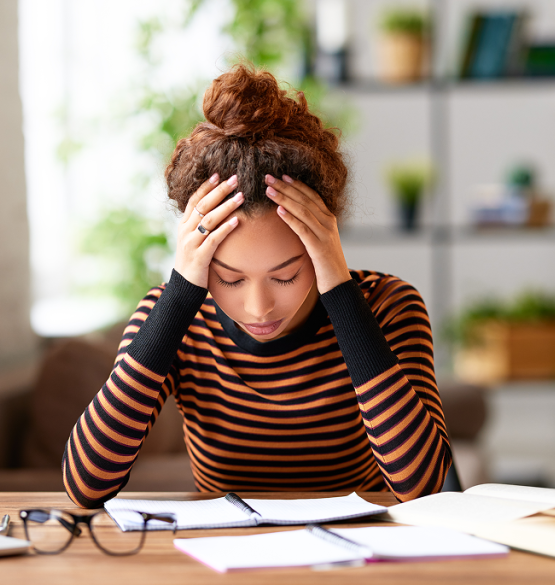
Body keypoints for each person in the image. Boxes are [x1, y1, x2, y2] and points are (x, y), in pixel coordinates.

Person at [63, 64, 450, 508]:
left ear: (326, 241)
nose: (259, 307)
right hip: (220, 562)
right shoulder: (172, 316)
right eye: (230, 278)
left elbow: (423, 488)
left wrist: (339, 291)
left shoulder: (387, 307)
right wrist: (179, 295)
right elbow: (86, 485)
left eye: (285, 275)